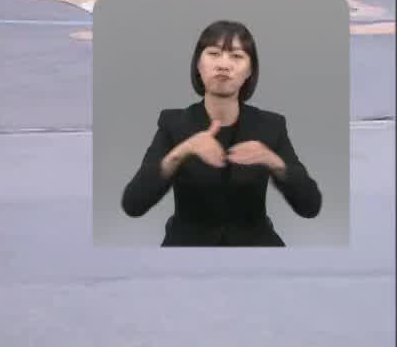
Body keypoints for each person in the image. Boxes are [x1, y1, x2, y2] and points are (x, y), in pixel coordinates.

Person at [120, 18, 322, 245]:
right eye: (214, 53)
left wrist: (273, 161)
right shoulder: (174, 123)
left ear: (250, 72)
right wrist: (182, 151)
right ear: (198, 64)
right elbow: (133, 204)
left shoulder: (270, 126)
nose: (224, 64)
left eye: (237, 56)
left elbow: (311, 206)